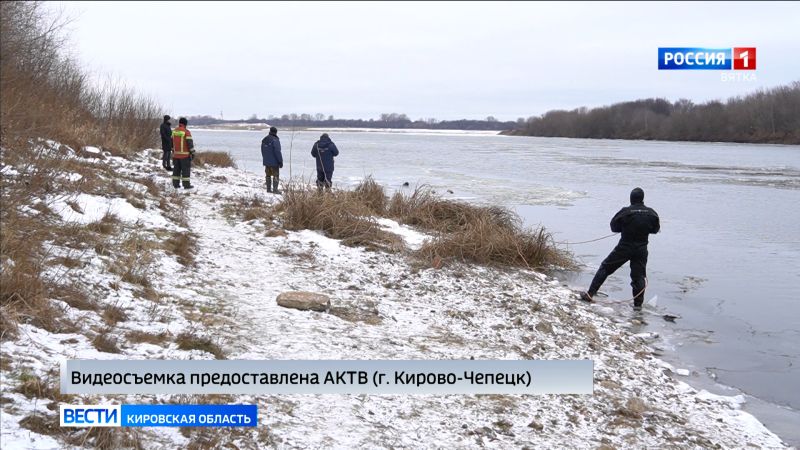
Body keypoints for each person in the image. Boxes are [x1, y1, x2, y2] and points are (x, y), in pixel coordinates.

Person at [579, 187, 660, 309]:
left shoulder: (625, 212)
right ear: (642, 199)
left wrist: (625, 228)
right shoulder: (652, 213)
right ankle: (638, 306)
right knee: (638, 277)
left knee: (605, 267)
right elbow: (655, 230)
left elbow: (613, 227)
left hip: (625, 246)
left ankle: (590, 294)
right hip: (641, 248)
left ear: (631, 198)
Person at [170, 117, 195, 189]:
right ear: (185, 124)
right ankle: (186, 185)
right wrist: (193, 153)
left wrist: (173, 151)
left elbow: (171, 143)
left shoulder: (174, 131)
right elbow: (190, 143)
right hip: (185, 156)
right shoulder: (186, 132)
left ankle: (175, 184)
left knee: (176, 170)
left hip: (176, 155)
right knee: (185, 171)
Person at [261, 126, 283, 193]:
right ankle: (275, 190)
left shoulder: (264, 139)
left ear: (270, 131)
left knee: (268, 175)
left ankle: (268, 189)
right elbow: (277, 151)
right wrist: (280, 161)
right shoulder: (275, 140)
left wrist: (265, 159)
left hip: (267, 162)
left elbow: (262, 150)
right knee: (275, 175)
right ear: (276, 132)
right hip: (274, 162)